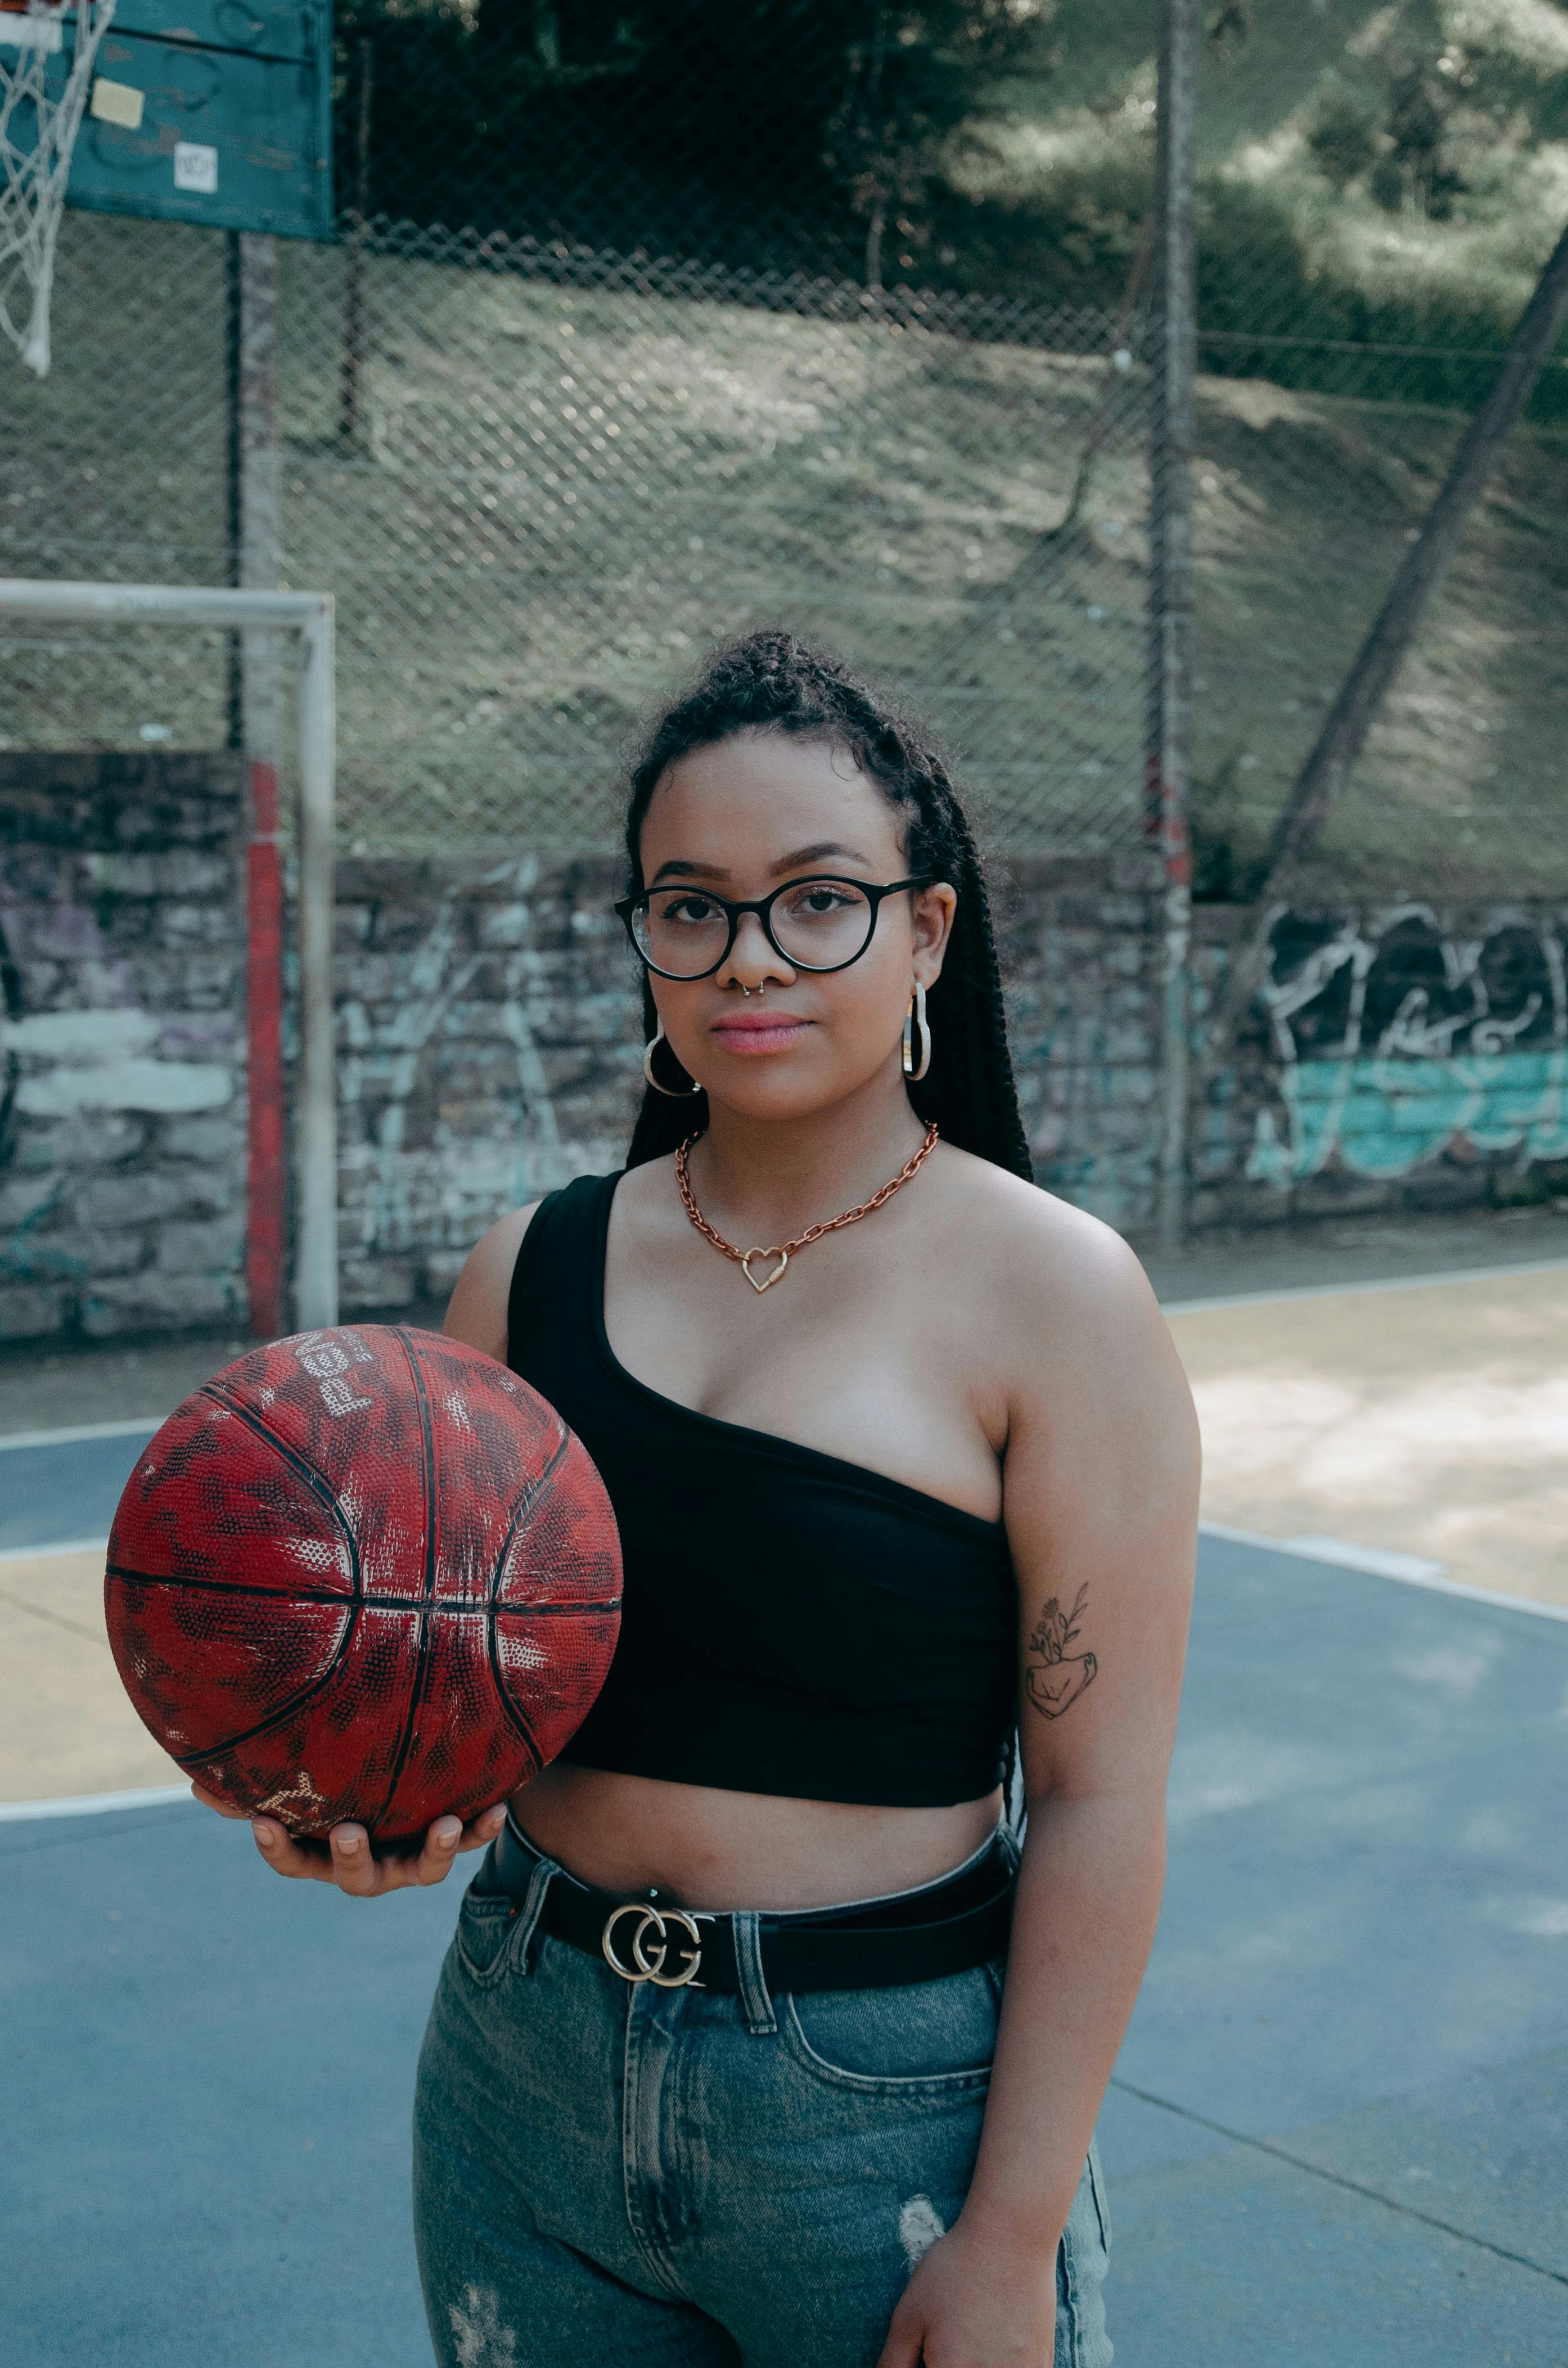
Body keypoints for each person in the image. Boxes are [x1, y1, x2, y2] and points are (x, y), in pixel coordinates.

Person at [206, 630, 1198, 2368]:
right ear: (645, 938)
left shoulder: (1055, 1294)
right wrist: (362, 1805)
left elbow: (1102, 1801)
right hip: (525, 2060)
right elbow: (444, 1683)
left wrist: (1011, 2229)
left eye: (816, 900)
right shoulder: (530, 1270)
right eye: (690, 904)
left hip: (876, 2109)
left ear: (925, 931)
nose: (748, 956)